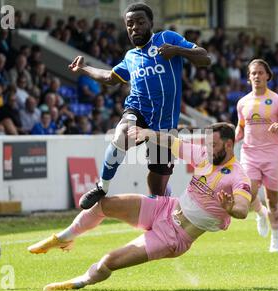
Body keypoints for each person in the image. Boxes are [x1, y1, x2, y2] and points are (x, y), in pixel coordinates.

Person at [28, 123, 251, 291]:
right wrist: (147, 134)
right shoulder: (203, 155)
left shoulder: (237, 176)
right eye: (207, 143)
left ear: (229, 145)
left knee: (109, 261)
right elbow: (173, 142)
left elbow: (241, 209)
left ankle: (80, 282)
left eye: (213, 145)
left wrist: (230, 208)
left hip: (174, 237)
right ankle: (64, 237)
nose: (208, 149)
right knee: (105, 204)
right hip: (166, 208)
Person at [69, 2, 211, 210]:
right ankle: (102, 186)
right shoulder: (130, 57)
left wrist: (178, 51)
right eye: (130, 24)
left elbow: (205, 58)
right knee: (122, 134)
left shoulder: (167, 38)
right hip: (138, 111)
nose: (134, 27)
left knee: (157, 191)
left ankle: (162, 202)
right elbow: (110, 77)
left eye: (140, 22)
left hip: (165, 125)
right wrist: (84, 68)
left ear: (151, 23)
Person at [235, 59, 278, 253]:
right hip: (249, 154)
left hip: (272, 155)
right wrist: (231, 141)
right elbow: (241, 127)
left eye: (260, 73)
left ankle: (276, 239)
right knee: (249, 194)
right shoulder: (243, 102)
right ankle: (260, 214)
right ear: (249, 78)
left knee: (272, 200)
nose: (257, 76)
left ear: (268, 76)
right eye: (253, 73)